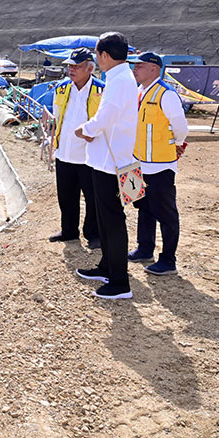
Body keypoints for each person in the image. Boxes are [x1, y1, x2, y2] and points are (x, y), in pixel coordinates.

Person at [73, 32, 140, 300]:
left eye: (98, 56)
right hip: (107, 159)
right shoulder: (120, 78)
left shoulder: (120, 80)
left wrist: (85, 130)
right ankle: (107, 267)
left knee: (113, 220)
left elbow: (106, 116)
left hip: (112, 163)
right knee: (104, 217)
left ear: (104, 55)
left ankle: (120, 281)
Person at [128, 51, 189, 275]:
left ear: (154, 69)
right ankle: (145, 248)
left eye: (139, 65)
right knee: (143, 208)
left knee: (165, 213)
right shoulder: (139, 92)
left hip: (160, 165)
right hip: (138, 162)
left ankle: (168, 260)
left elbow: (180, 125)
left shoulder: (166, 94)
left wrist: (178, 144)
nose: (135, 69)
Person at [48, 47, 103, 249]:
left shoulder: (101, 90)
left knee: (92, 198)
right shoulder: (62, 89)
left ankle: (93, 234)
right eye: (70, 66)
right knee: (66, 195)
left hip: (90, 154)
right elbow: (57, 116)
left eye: (76, 66)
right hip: (65, 152)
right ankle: (69, 230)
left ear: (89, 68)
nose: (71, 70)